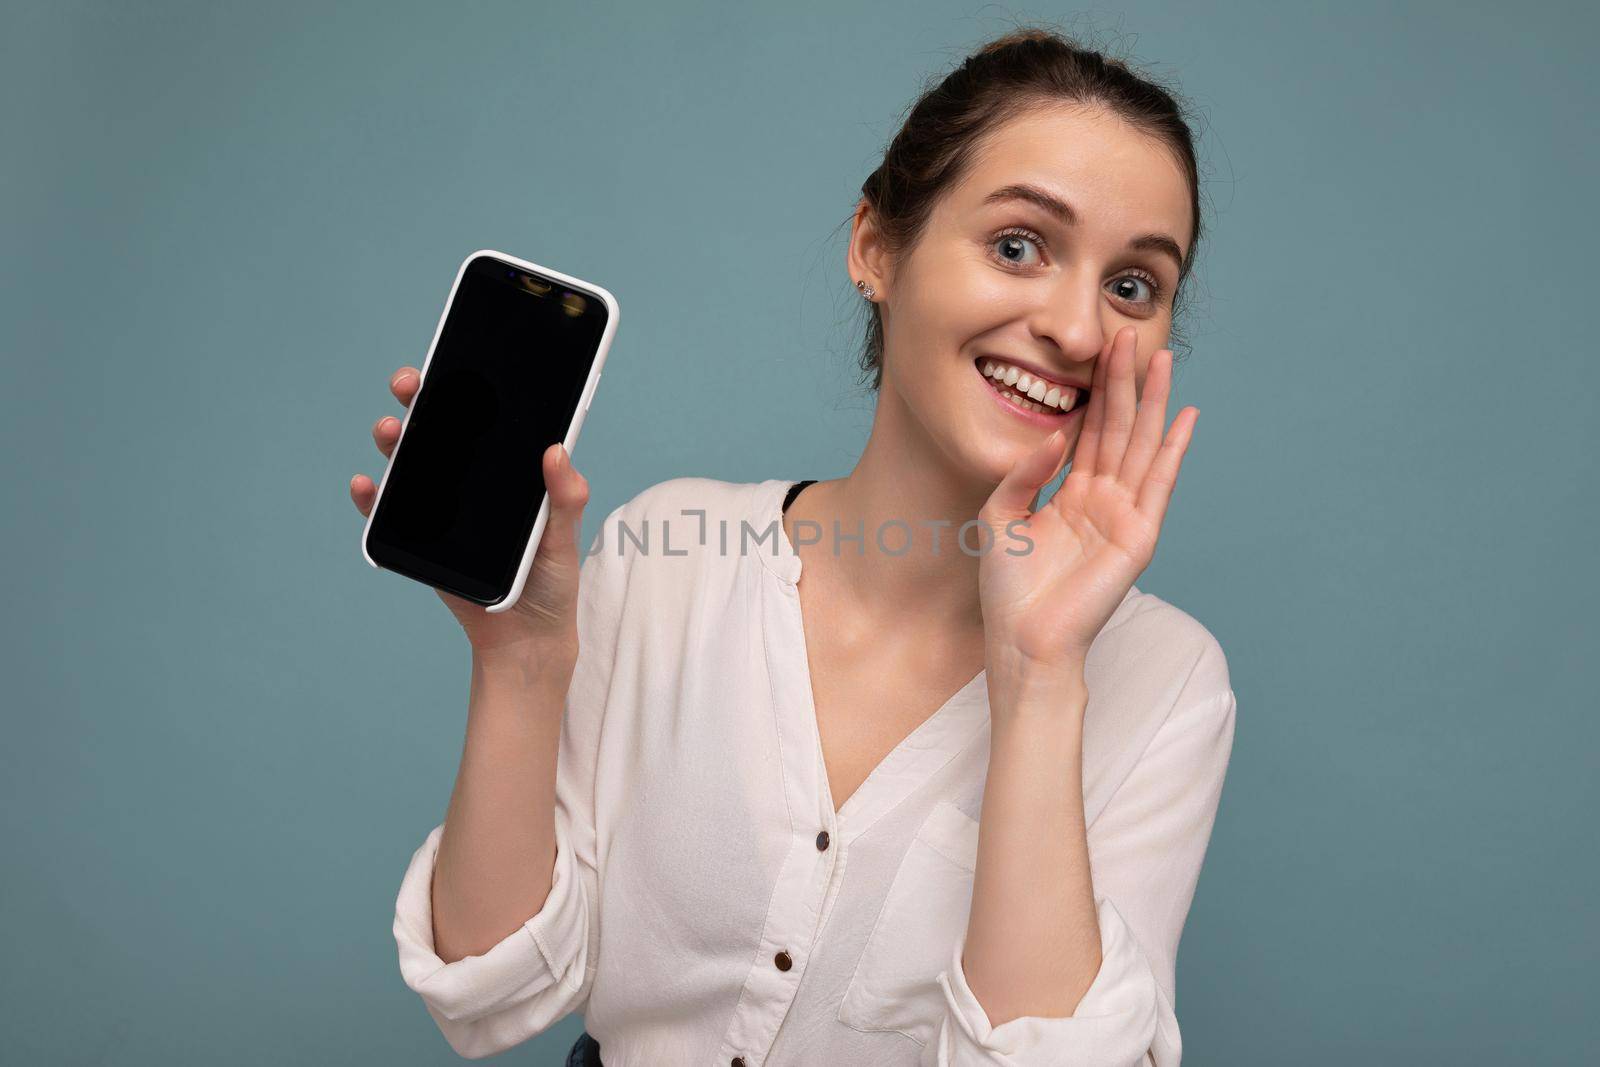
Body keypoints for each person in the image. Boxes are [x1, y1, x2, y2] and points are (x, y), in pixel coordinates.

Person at [352, 26, 1235, 1067]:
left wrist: (1040, 672)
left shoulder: (1170, 685)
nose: (1079, 331)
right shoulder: (668, 555)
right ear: (877, 247)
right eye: (1017, 245)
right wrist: (521, 662)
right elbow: (487, 990)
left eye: (1132, 285)